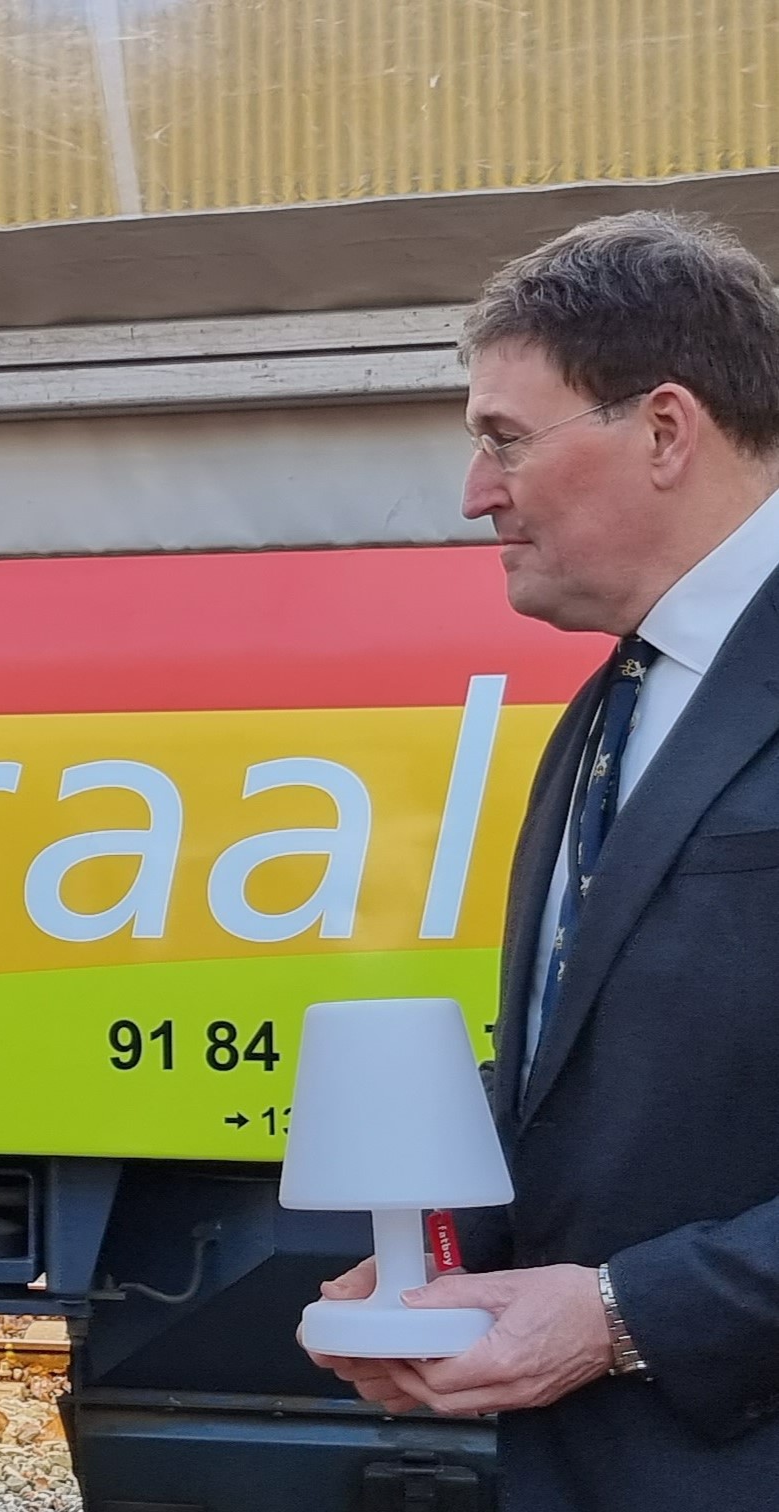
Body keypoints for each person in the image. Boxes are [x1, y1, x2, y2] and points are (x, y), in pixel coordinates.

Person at [308, 212, 779, 1506]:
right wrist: (433, 1270)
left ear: (666, 430)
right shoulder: (611, 705)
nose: (475, 490)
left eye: (505, 438)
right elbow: (606, 1084)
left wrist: (627, 1313)